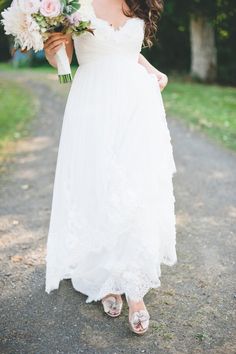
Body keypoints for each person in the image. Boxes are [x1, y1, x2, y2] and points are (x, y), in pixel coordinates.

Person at [44, 0, 177, 335]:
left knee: (136, 185)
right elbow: (64, 57)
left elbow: (127, 52)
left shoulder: (137, 2)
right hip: (93, 103)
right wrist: (52, 49)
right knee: (101, 185)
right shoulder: (72, 5)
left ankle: (134, 290)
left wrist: (152, 70)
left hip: (137, 103)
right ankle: (107, 280)